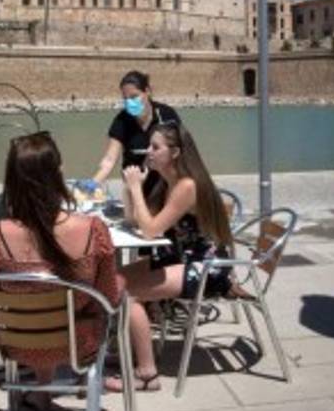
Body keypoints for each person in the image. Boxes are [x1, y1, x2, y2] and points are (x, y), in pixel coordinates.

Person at [0, 130, 122, 411]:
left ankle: (41, 395)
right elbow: (108, 297)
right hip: (78, 347)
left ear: (11, 179)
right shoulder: (93, 229)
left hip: (14, 345)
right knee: (104, 297)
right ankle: (92, 378)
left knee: (39, 308)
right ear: (58, 173)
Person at [106, 121, 250, 392]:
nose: (148, 151)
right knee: (114, 281)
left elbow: (149, 232)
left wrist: (137, 189)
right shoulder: (167, 182)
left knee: (128, 294)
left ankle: (147, 374)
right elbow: (136, 220)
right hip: (180, 258)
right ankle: (132, 349)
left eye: (155, 146)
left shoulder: (186, 186)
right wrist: (129, 188)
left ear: (175, 152)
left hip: (206, 268)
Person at [91, 70, 179, 190]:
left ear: (147, 91)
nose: (130, 102)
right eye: (125, 98)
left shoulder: (166, 115)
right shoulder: (122, 120)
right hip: (134, 183)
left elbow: (181, 149)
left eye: (134, 96)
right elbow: (109, 159)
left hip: (165, 182)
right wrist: (93, 183)